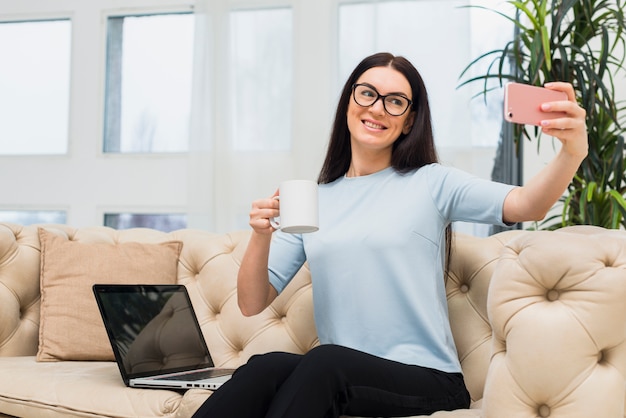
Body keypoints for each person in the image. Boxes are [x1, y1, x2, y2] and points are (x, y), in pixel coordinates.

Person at [192, 52, 588, 418]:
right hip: (340, 373)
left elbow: (526, 206)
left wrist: (571, 152)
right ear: (349, 101)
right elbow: (250, 302)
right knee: (267, 366)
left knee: (326, 361)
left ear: (409, 119)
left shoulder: (431, 182)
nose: (377, 108)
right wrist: (260, 235)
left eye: (395, 101)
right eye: (367, 93)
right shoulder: (315, 200)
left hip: (428, 378)